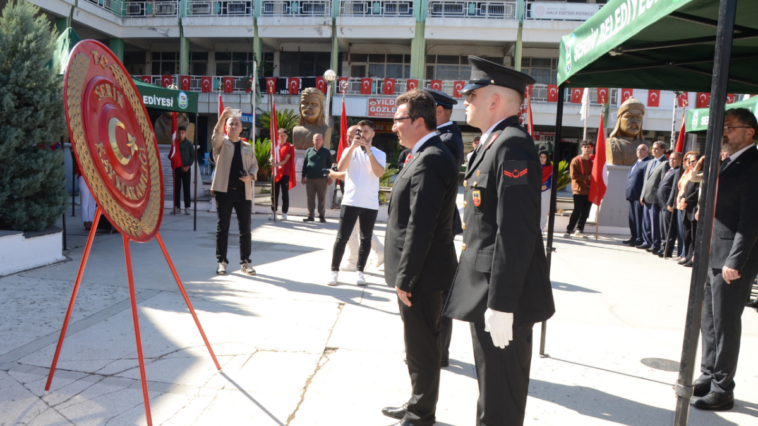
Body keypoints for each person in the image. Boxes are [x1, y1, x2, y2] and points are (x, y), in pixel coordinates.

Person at [444, 56, 555, 426]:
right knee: (491, 390)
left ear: (494, 101)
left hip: (502, 295)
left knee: (501, 396)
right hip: (487, 289)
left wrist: (503, 303)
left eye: (472, 95)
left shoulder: (511, 146)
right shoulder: (492, 144)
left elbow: (517, 231)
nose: (466, 102)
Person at [381, 89, 458, 426]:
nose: (394, 126)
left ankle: (421, 413)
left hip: (423, 275)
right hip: (419, 271)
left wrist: (406, 277)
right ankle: (416, 401)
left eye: (398, 120)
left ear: (418, 121)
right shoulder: (421, 154)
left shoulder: (431, 158)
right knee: (415, 343)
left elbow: (421, 225)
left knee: (424, 346)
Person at [693, 108, 758, 411]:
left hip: (732, 260)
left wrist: (736, 261)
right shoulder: (729, 162)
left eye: (730, 128)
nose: (724, 133)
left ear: (750, 132)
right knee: (709, 319)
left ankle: (722, 388)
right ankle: (708, 372)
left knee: (726, 323)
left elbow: (750, 221)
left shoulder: (753, 165)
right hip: (713, 253)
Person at [328, 120, 386, 286]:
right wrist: (352, 148)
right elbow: (341, 167)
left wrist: (368, 151)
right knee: (342, 238)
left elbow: (379, 172)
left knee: (366, 239)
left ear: (373, 134)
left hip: (369, 203)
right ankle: (334, 271)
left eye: (366, 131)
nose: (362, 134)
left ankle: (360, 272)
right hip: (351, 201)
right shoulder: (349, 150)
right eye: (360, 131)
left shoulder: (379, 153)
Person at [212, 107, 259, 276]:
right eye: (230, 124)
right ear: (226, 127)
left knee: (245, 229)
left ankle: (245, 262)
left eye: (236, 124)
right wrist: (223, 117)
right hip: (223, 192)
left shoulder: (247, 147)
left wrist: (251, 176)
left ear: (241, 128)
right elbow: (215, 135)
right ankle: (222, 261)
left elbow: (254, 165)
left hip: (242, 193)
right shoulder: (221, 144)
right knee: (222, 227)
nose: (233, 126)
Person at [639, 142, 670, 254]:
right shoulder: (651, 162)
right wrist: (642, 195)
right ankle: (647, 242)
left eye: (657, 149)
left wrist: (659, 198)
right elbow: (645, 181)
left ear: (663, 150)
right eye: (653, 149)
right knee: (646, 222)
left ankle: (655, 244)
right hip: (646, 196)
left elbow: (663, 183)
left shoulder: (665, 163)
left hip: (655, 198)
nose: (654, 151)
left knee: (654, 223)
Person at [564, 141, 593, 238]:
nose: (586, 149)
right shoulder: (576, 160)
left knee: (586, 211)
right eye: (584, 147)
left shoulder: (593, 161)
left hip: (590, 190)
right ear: (581, 148)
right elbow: (573, 175)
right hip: (578, 190)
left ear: (591, 148)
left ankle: (580, 229)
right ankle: (569, 229)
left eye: (588, 147)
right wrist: (587, 177)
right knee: (577, 210)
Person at [301, 133, 333, 223]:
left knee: (321, 198)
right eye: (316, 139)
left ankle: (321, 215)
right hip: (310, 178)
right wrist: (303, 176)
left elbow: (330, 165)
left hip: (322, 179)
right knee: (310, 198)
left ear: (322, 141)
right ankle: (310, 215)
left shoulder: (326, 151)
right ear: (313, 141)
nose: (317, 141)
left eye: (319, 139)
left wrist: (330, 177)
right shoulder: (308, 151)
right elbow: (305, 164)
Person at [622, 144, 650, 246]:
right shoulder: (637, 162)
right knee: (632, 218)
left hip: (639, 196)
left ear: (647, 152)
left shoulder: (647, 163)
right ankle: (633, 236)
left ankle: (639, 238)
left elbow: (646, 181)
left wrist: (643, 195)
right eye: (638, 149)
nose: (639, 151)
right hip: (632, 195)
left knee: (639, 218)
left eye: (642, 149)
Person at [676, 152, 701, 267]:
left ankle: (692, 258)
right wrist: (682, 198)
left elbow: (697, 192)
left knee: (693, 235)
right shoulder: (690, 174)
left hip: (693, 208)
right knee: (687, 234)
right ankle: (687, 256)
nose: (690, 163)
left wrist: (686, 200)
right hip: (686, 208)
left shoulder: (700, 174)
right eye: (689, 162)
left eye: (693, 161)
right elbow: (685, 190)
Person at [658, 151, 682, 258]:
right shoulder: (670, 170)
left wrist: (670, 203)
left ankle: (668, 250)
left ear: (680, 160)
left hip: (668, 204)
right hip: (662, 204)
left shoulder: (678, 171)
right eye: (670, 158)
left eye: (674, 159)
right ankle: (663, 247)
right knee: (663, 228)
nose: (671, 160)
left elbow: (674, 189)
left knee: (669, 229)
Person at [270, 128, 295, 221]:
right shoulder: (275, 146)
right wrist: (271, 161)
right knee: (274, 193)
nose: (282, 137)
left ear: (287, 137)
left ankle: (284, 213)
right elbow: (271, 156)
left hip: (285, 172)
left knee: (285, 193)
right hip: (275, 172)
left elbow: (285, 160)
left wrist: (276, 165)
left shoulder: (290, 146)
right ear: (278, 136)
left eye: (284, 136)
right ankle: (274, 211)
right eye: (281, 135)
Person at [171, 126, 194, 215]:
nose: (181, 134)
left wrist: (188, 166)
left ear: (185, 133)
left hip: (186, 168)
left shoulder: (189, 143)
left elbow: (192, 156)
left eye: (182, 133)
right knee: (176, 188)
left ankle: (187, 207)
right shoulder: (175, 143)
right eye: (179, 133)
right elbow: (172, 154)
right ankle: (177, 207)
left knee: (186, 188)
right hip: (177, 168)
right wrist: (172, 145)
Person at [539, 151, 553, 234]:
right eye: (541, 156)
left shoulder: (550, 168)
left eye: (544, 157)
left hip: (545, 190)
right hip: (535, 190)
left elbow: (553, 180)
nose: (542, 159)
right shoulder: (535, 166)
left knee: (544, 209)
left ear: (547, 158)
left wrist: (547, 186)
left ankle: (542, 227)